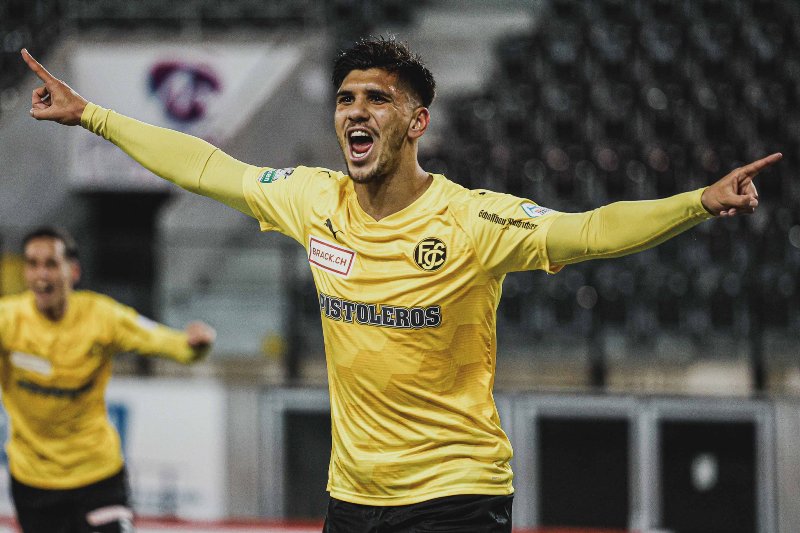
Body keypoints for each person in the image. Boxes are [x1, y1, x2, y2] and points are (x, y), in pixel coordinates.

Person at [20, 37, 780, 532]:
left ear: (417, 123)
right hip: (353, 497)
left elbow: (589, 230)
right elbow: (205, 166)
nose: (356, 111)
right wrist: (93, 116)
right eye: (346, 99)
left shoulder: (473, 220)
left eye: (376, 99)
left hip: (456, 492)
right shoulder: (313, 200)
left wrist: (697, 203)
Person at [0, 226, 216, 533]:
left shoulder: (101, 317)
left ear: (73, 271)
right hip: (33, 483)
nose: (41, 275)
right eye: (33, 264)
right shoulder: (8, 320)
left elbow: (161, 340)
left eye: (51, 264)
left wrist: (193, 345)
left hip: (98, 476)